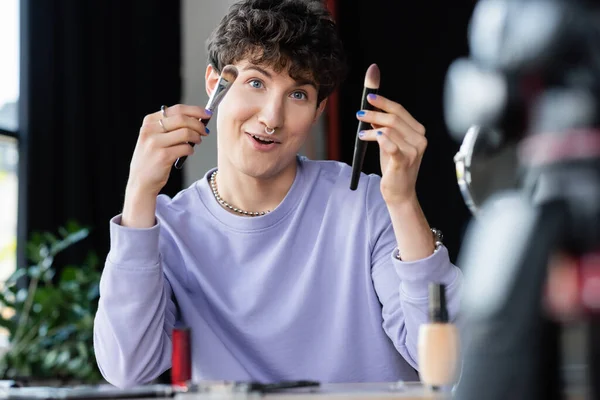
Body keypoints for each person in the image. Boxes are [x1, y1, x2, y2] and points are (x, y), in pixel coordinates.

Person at [93, 0, 463, 389]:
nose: (272, 117)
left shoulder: (367, 202)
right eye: (256, 82)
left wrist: (403, 202)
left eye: (298, 94)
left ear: (319, 110)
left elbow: (447, 363)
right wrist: (138, 194)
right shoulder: (168, 229)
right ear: (214, 83)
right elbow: (128, 369)